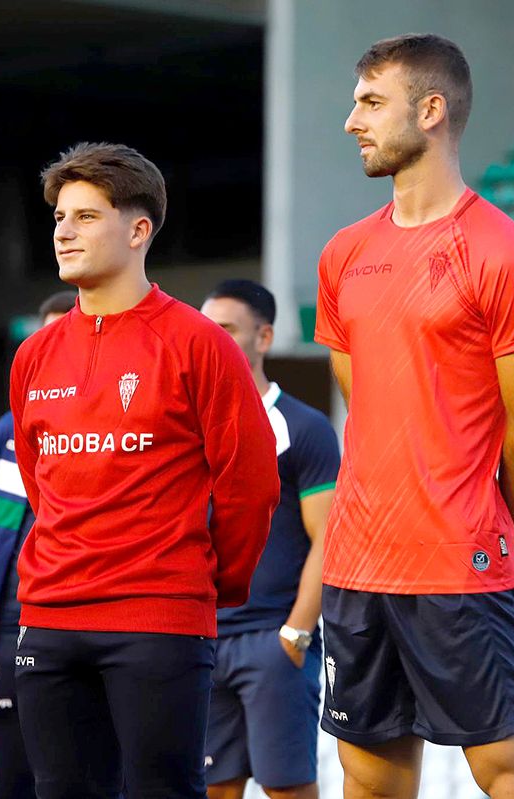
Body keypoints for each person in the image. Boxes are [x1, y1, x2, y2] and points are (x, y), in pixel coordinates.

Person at [314, 34, 514, 799]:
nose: (351, 119)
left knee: (510, 773)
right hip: (355, 565)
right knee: (370, 777)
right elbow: (368, 398)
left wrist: (481, 522)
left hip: (456, 564)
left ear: (431, 110)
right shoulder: (343, 254)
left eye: (370, 102)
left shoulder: (498, 250)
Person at [9, 142, 280, 799]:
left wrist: (213, 583)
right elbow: (40, 484)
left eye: (86, 216)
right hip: (48, 618)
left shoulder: (198, 343)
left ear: (139, 230)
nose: (64, 232)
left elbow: (250, 483)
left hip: (158, 618)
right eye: (58, 218)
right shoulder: (34, 355)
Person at [199, 280, 339, 799]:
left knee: (289, 790)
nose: (213, 341)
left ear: (264, 337)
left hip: (272, 641)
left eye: (227, 330)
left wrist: (295, 635)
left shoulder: (303, 427)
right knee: (214, 789)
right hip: (202, 641)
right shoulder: (184, 427)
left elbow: (329, 536)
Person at [0, 289, 77, 799]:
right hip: (10, 621)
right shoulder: (8, 429)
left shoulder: (101, 424)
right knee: (9, 776)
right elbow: (3, 529)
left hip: (71, 619)